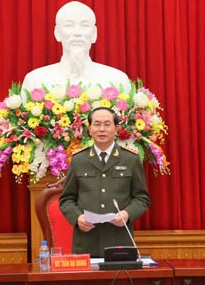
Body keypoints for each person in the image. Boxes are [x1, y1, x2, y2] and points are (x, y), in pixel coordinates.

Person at [59, 107, 150, 257]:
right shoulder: (78, 160)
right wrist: (77, 218)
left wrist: (127, 214)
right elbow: (66, 199)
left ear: (116, 129)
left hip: (119, 240)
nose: (102, 129)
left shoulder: (130, 159)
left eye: (107, 124)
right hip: (86, 241)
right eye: (97, 124)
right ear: (89, 129)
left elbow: (142, 198)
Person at [21, 1, 131, 92]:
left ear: (94, 34)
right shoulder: (36, 81)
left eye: (84, 25)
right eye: (69, 25)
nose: (77, 32)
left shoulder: (117, 79)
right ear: (57, 33)